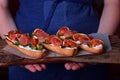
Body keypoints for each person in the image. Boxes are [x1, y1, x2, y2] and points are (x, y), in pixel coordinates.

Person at [0, 0, 119, 80]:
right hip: (26, 59)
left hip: (88, 57)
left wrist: (96, 49)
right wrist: (19, 49)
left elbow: (113, 3)